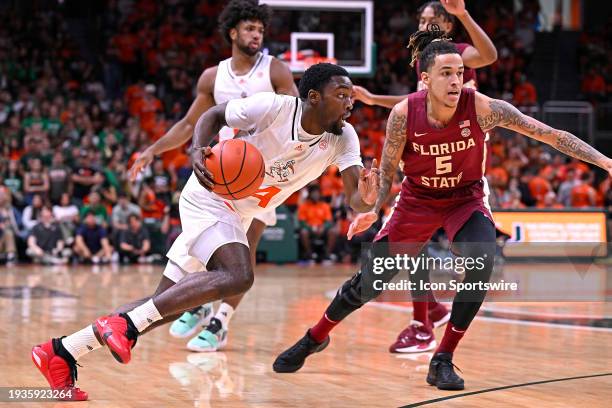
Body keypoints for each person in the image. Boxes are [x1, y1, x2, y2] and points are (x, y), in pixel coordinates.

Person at [272, 28, 612, 391]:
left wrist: (605, 161)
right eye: (446, 73)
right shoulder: (403, 115)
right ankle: (315, 337)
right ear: (425, 79)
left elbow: (551, 134)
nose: (455, 81)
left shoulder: (483, 108)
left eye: (460, 73)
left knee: (482, 260)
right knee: (370, 283)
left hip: (465, 199)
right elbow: (386, 173)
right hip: (417, 200)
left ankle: (443, 357)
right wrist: (372, 205)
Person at [31, 63, 379, 400]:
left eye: (351, 95)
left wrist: (366, 201)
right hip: (210, 196)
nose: (351, 102)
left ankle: (60, 351)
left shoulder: (343, 137)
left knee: (164, 306)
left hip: (240, 214)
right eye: (342, 94)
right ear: (314, 97)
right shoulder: (274, 107)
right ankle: (124, 327)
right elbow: (212, 115)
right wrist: (196, 149)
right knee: (239, 275)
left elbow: (355, 198)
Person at [128, 0, 299, 352]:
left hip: (261, 175)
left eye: (261, 30)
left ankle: (221, 320)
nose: (256, 35)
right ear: (233, 32)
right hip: (225, 173)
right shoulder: (213, 77)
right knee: (217, 252)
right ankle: (202, 301)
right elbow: (190, 124)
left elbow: (297, 119)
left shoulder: (276, 70)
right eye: (250, 28)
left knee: (245, 250)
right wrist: (153, 150)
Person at [354, 0, 499, 353]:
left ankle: (430, 323)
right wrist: (374, 100)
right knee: (408, 242)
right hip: (429, 165)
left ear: (448, 26)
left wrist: (464, 14)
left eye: (429, 20)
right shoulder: (424, 62)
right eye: (419, 18)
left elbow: (490, 55)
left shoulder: (457, 53)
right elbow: (412, 104)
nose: (421, 24)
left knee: (469, 258)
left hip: (461, 165)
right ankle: (427, 314)